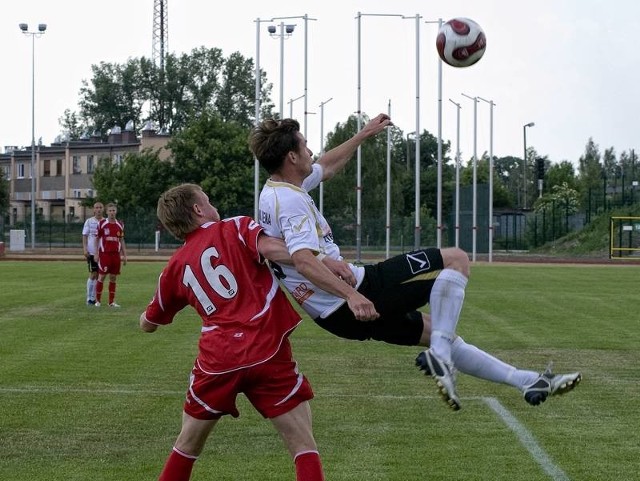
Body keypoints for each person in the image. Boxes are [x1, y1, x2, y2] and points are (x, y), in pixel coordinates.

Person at [249, 114, 582, 411]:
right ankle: (440, 357)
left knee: (442, 333)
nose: (310, 151)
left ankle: (527, 381)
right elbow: (304, 262)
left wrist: (363, 135)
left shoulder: (277, 190)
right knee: (456, 259)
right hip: (352, 293)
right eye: (304, 146)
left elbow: (328, 165)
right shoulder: (290, 200)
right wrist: (352, 295)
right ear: (291, 156)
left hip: (334, 314)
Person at [139, 183, 324, 481]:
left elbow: (150, 322)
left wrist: (145, 319)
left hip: (217, 360)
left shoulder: (174, 266)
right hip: (267, 349)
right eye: (208, 201)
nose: (213, 205)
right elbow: (272, 249)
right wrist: (316, 257)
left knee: (186, 445)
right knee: (302, 444)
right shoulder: (234, 227)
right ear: (199, 210)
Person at [94, 203, 127, 308]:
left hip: (116, 255)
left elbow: (121, 240)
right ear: (107, 212)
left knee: (113, 278)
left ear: (116, 211)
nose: (112, 212)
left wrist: (125, 255)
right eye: (110, 211)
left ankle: (111, 302)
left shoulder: (120, 224)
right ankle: (97, 301)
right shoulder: (102, 223)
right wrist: (96, 253)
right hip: (105, 255)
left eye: (113, 210)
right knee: (102, 276)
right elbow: (97, 239)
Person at [81, 201, 104, 305]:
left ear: (103, 209)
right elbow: (85, 236)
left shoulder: (106, 222)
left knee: (100, 275)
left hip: (103, 253)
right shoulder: (89, 222)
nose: (98, 209)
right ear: (94, 210)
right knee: (93, 274)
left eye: (100, 207)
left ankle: (95, 298)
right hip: (92, 252)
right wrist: (85, 249)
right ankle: (89, 298)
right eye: (96, 208)